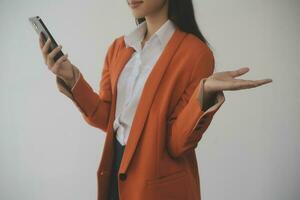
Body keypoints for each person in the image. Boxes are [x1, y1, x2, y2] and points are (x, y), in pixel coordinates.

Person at [38, 0, 272, 199]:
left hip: (159, 183)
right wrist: (71, 77)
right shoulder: (118, 48)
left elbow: (176, 143)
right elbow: (105, 118)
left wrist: (204, 93)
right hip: (114, 169)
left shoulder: (195, 53)